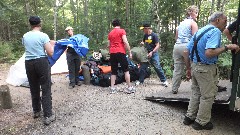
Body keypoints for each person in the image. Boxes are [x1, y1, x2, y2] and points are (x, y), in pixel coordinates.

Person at [183, 12, 239, 130]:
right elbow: (209, 53)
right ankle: (201, 122)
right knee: (207, 96)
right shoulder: (215, 31)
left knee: (196, 93)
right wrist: (227, 47)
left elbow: (186, 52)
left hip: (195, 66)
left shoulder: (200, 30)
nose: (226, 24)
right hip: (206, 69)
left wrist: (188, 68)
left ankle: (189, 117)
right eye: (225, 20)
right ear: (218, 20)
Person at [22, 16, 55, 125]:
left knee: (34, 87)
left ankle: (36, 111)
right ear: (40, 23)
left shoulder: (25, 36)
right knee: (45, 87)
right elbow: (50, 52)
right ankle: (48, 115)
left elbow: (29, 48)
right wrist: (52, 45)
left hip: (28, 63)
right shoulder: (43, 35)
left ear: (30, 24)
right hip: (41, 61)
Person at [172, 5, 199, 94]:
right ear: (192, 13)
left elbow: (176, 38)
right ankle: (196, 88)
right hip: (187, 46)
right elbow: (195, 39)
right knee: (193, 66)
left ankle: (174, 89)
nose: (197, 15)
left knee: (177, 68)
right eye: (196, 13)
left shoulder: (180, 24)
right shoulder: (193, 23)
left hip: (177, 46)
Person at [108, 18, 135, 94]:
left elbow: (109, 45)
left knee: (113, 71)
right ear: (119, 24)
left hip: (112, 53)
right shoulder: (122, 31)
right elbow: (125, 42)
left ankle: (112, 88)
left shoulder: (110, 33)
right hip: (120, 52)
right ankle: (129, 87)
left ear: (113, 25)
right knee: (126, 70)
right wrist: (129, 52)